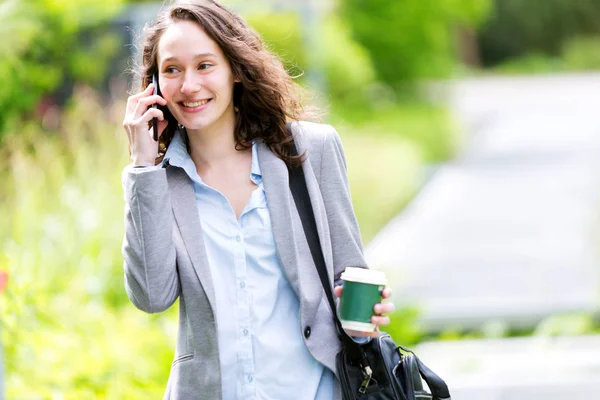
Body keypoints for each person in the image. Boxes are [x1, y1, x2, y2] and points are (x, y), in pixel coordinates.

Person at [121, 1, 395, 399]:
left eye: (204, 65)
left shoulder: (308, 151)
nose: (189, 85)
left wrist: (359, 318)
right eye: (172, 70)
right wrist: (142, 169)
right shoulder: (157, 183)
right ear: (155, 86)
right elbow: (150, 297)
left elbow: (348, 274)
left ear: (235, 69)